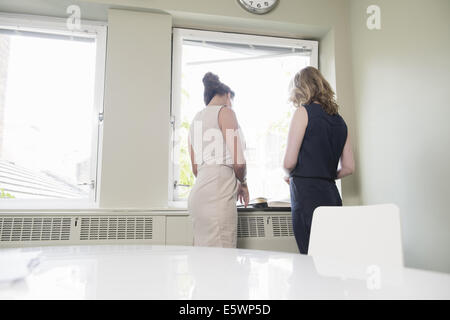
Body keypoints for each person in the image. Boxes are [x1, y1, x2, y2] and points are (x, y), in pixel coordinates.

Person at [283, 66, 355, 254]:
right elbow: (349, 167)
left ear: (302, 88)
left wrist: (290, 173)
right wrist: (325, 173)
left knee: (310, 259)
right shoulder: (340, 121)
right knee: (333, 256)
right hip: (331, 195)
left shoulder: (303, 113)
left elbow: (289, 162)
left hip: (307, 196)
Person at [188, 72, 249, 248]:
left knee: (204, 264)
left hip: (198, 196)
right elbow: (239, 162)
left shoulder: (195, 121)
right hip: (218, 195)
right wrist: (243, 182)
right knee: (222, 262)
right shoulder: (226, 112)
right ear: (228, 95)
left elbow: (195, 169)